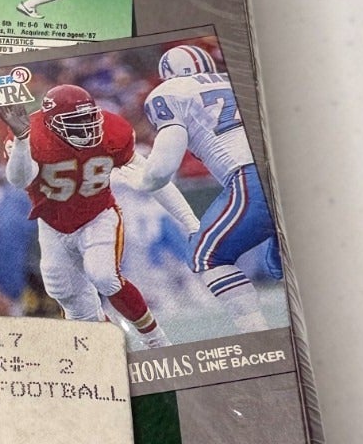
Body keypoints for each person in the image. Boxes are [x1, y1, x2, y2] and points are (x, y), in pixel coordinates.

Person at [114, 42, 282, 333]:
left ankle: (257, 333)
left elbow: (161, 170)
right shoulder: (236, 80)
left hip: (251, 177)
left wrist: (140, 181)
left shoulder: (170, 93)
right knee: (280, 262)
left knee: (208, 256)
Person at [0, 84, 169, 344]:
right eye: (74, 120)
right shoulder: (31, 134)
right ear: (50, 123)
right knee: (64, 292)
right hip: (52, 221)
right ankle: (110, 344)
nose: (85, 126)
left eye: (87, 117)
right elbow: (20, 180)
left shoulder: (112, 128)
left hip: (97, 212)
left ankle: (157, 341)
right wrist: (22, 140)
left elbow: (146, 173)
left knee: (104, 276)